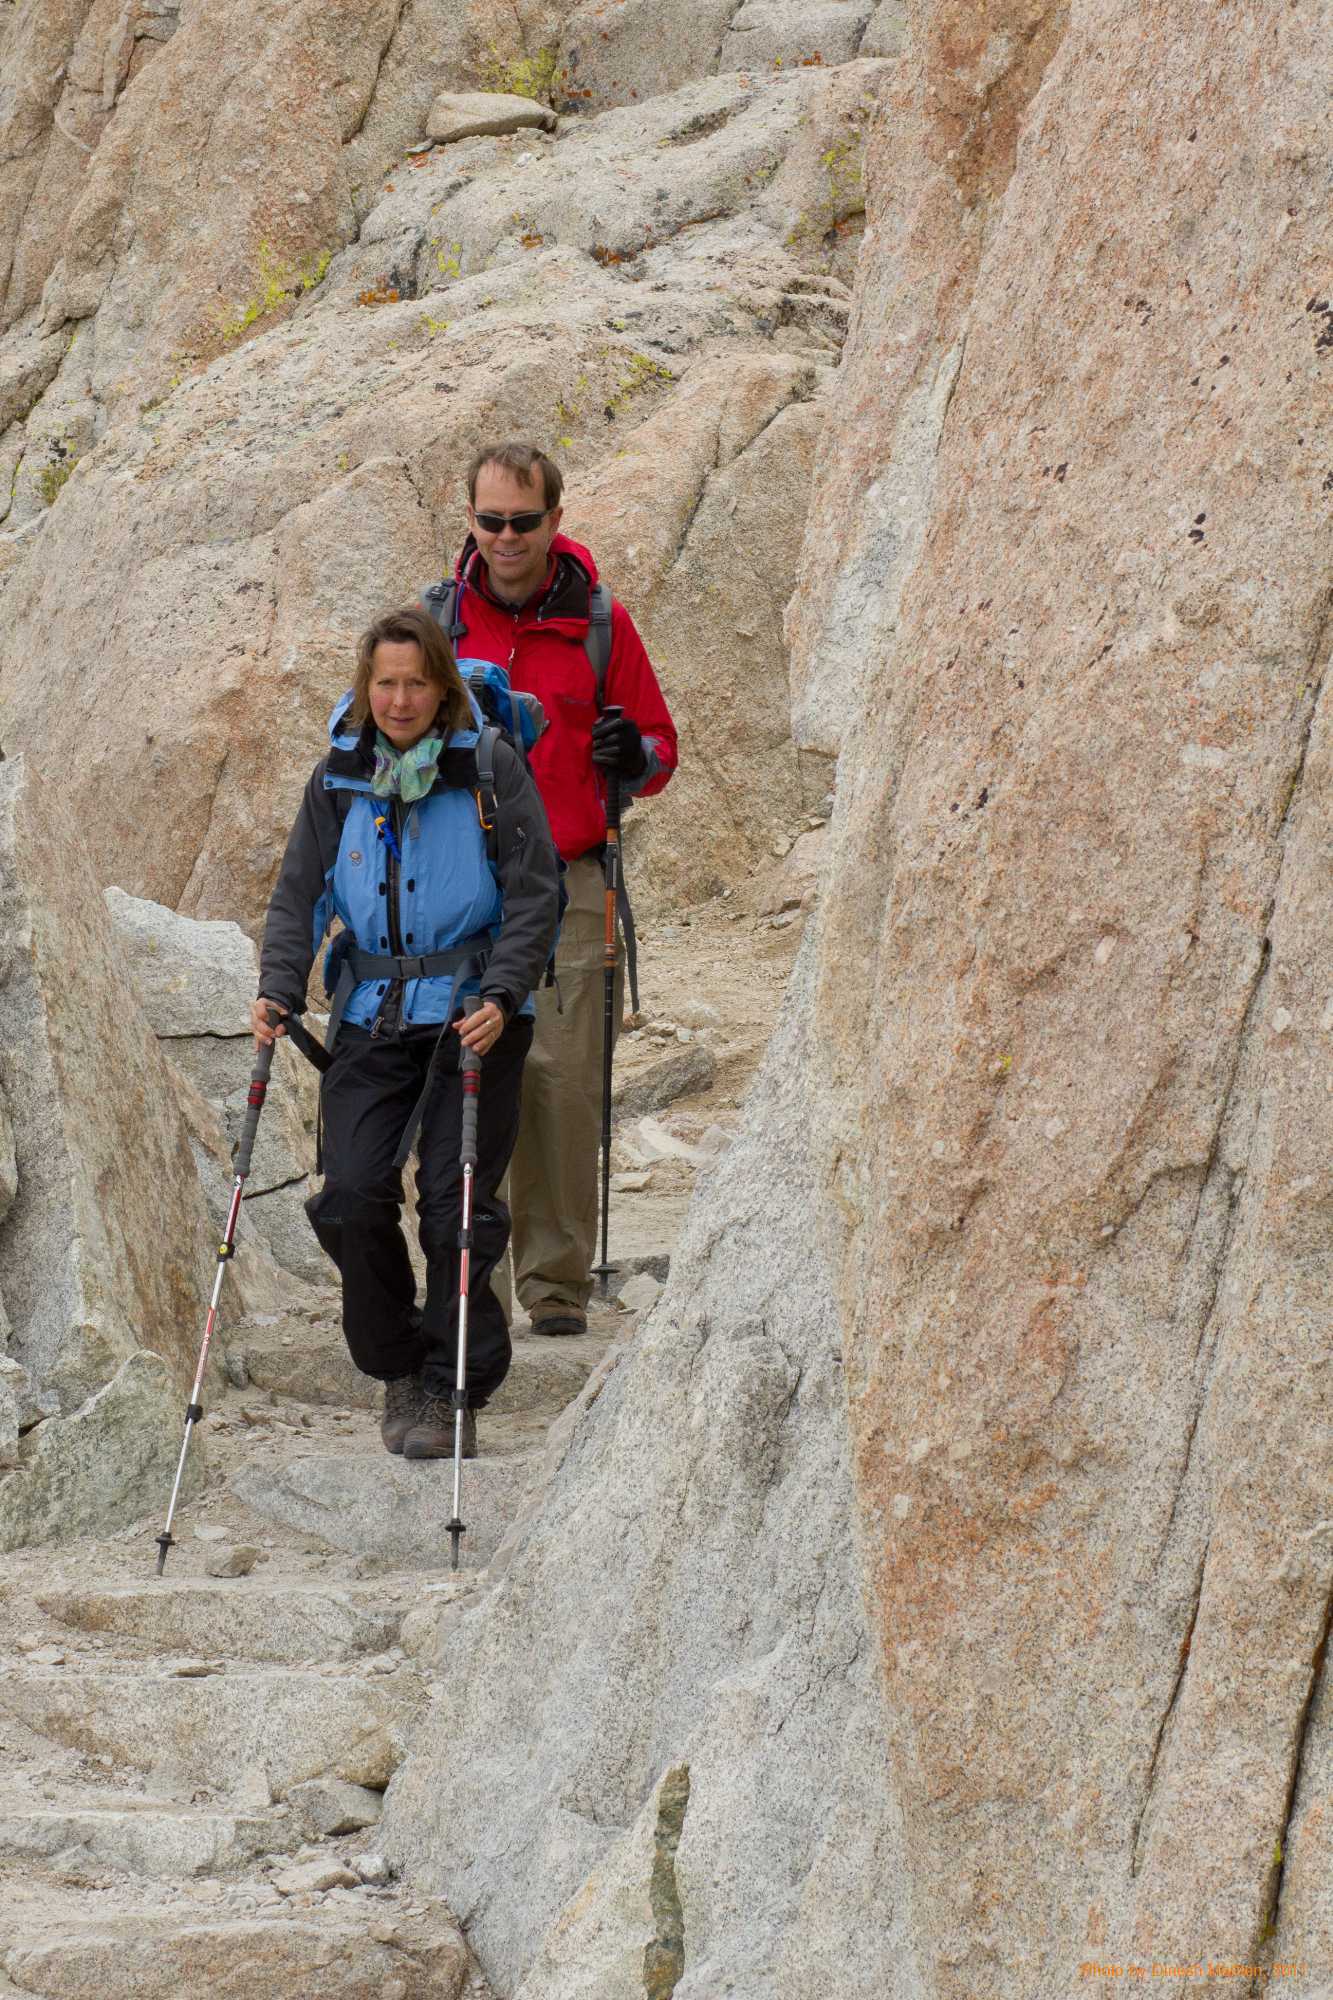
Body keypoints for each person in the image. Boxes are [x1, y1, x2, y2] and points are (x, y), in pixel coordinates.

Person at [251, 607, 559, 1458]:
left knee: (457, 1208)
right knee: (351, 1197)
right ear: (365, 687)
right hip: (372, 1016)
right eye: (384, 683)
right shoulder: (337, 777)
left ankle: (455, 1384)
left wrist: (504, 990)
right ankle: (398, 1364)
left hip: (475, 1016)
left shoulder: (489, 767)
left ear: (441, 688)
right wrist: (279, 986)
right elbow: (299, 893)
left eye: (415, 683)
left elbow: (536, 891)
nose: (398, 700)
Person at [422, 442, 678, 1338]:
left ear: (555, 520)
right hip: (457, 887)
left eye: (522, 522)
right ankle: (468, 1286)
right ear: (469, 519)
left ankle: (556, 1285)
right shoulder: (434, 625)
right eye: (489, 520)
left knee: (561, 1084)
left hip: (569, 879)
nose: (505, 538)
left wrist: (631, 754)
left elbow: (660, 751)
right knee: (460, 1075)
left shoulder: (601, 624)